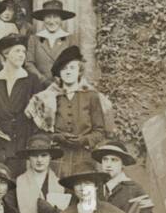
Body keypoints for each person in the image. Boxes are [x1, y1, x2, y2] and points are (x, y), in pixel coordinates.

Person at [31, 46, 109, 180]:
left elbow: (100, 131)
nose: (68, 72)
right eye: (64, 69)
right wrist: (57, 137)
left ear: (79, 71)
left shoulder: (91, 96)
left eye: (72, 68)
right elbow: (39, 132)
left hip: (84, 157)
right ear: (59, 73)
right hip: (58, 158)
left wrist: (84, 139)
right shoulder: (49, 97)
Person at [0, 32, 42, 179]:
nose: (22, 55)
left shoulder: (32, 80)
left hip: (24, 145)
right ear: (6, 54)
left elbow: (39, 116)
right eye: (17, 51)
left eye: (24, 52)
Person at [25, 0, 76, 81]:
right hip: (40, 86)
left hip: (63, 85)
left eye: (55, 17)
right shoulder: (34, 39)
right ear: (43, 19)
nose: (52, 21)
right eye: (48, 17)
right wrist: (43, 80)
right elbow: (29, 63)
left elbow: (74, 64)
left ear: (61, 19)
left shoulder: (70, 40)